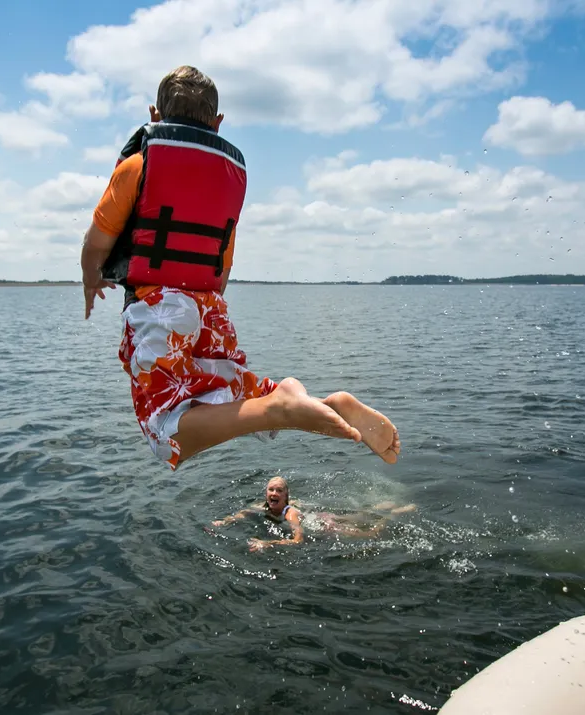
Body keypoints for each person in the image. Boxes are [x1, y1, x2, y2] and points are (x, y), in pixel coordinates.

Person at [80, 65, 401, 471]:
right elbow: (222, 264)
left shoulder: (138, 166)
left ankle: (280, 408)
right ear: (218, 123)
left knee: (164, 429)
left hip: (157, 304)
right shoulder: (228, 176)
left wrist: (92, 281)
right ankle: (308, 402)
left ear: (154, 116)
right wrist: (199, 314)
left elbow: (96, 243)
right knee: (230, 397)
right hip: (210, 306)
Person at [211, 476, 416, 552]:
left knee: (369, 534)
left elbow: (297, 540)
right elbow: (244, 512)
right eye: (271, 489)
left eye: (279, 490)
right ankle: (383, 507)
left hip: (323, 523)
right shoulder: (261, 505)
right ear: (266, 493)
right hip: (318, 515)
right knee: (356, 515)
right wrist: (225, 520)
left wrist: (268, 544)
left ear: (286, 495)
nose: (274, 493)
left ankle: (393, 514)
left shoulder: (289, 513)